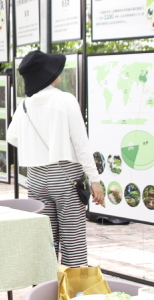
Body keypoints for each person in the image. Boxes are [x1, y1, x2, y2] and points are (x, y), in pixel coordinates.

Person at [6, 51, 104, 268]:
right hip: (65, 176)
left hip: (35, 178)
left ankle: (43, 286)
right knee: (73, 238)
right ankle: (72, 287)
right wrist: (95, 180)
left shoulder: (25, 105)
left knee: (45, 241)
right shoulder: (65, 100)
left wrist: (37, 148)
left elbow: (11, 137)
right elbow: (81, 144)